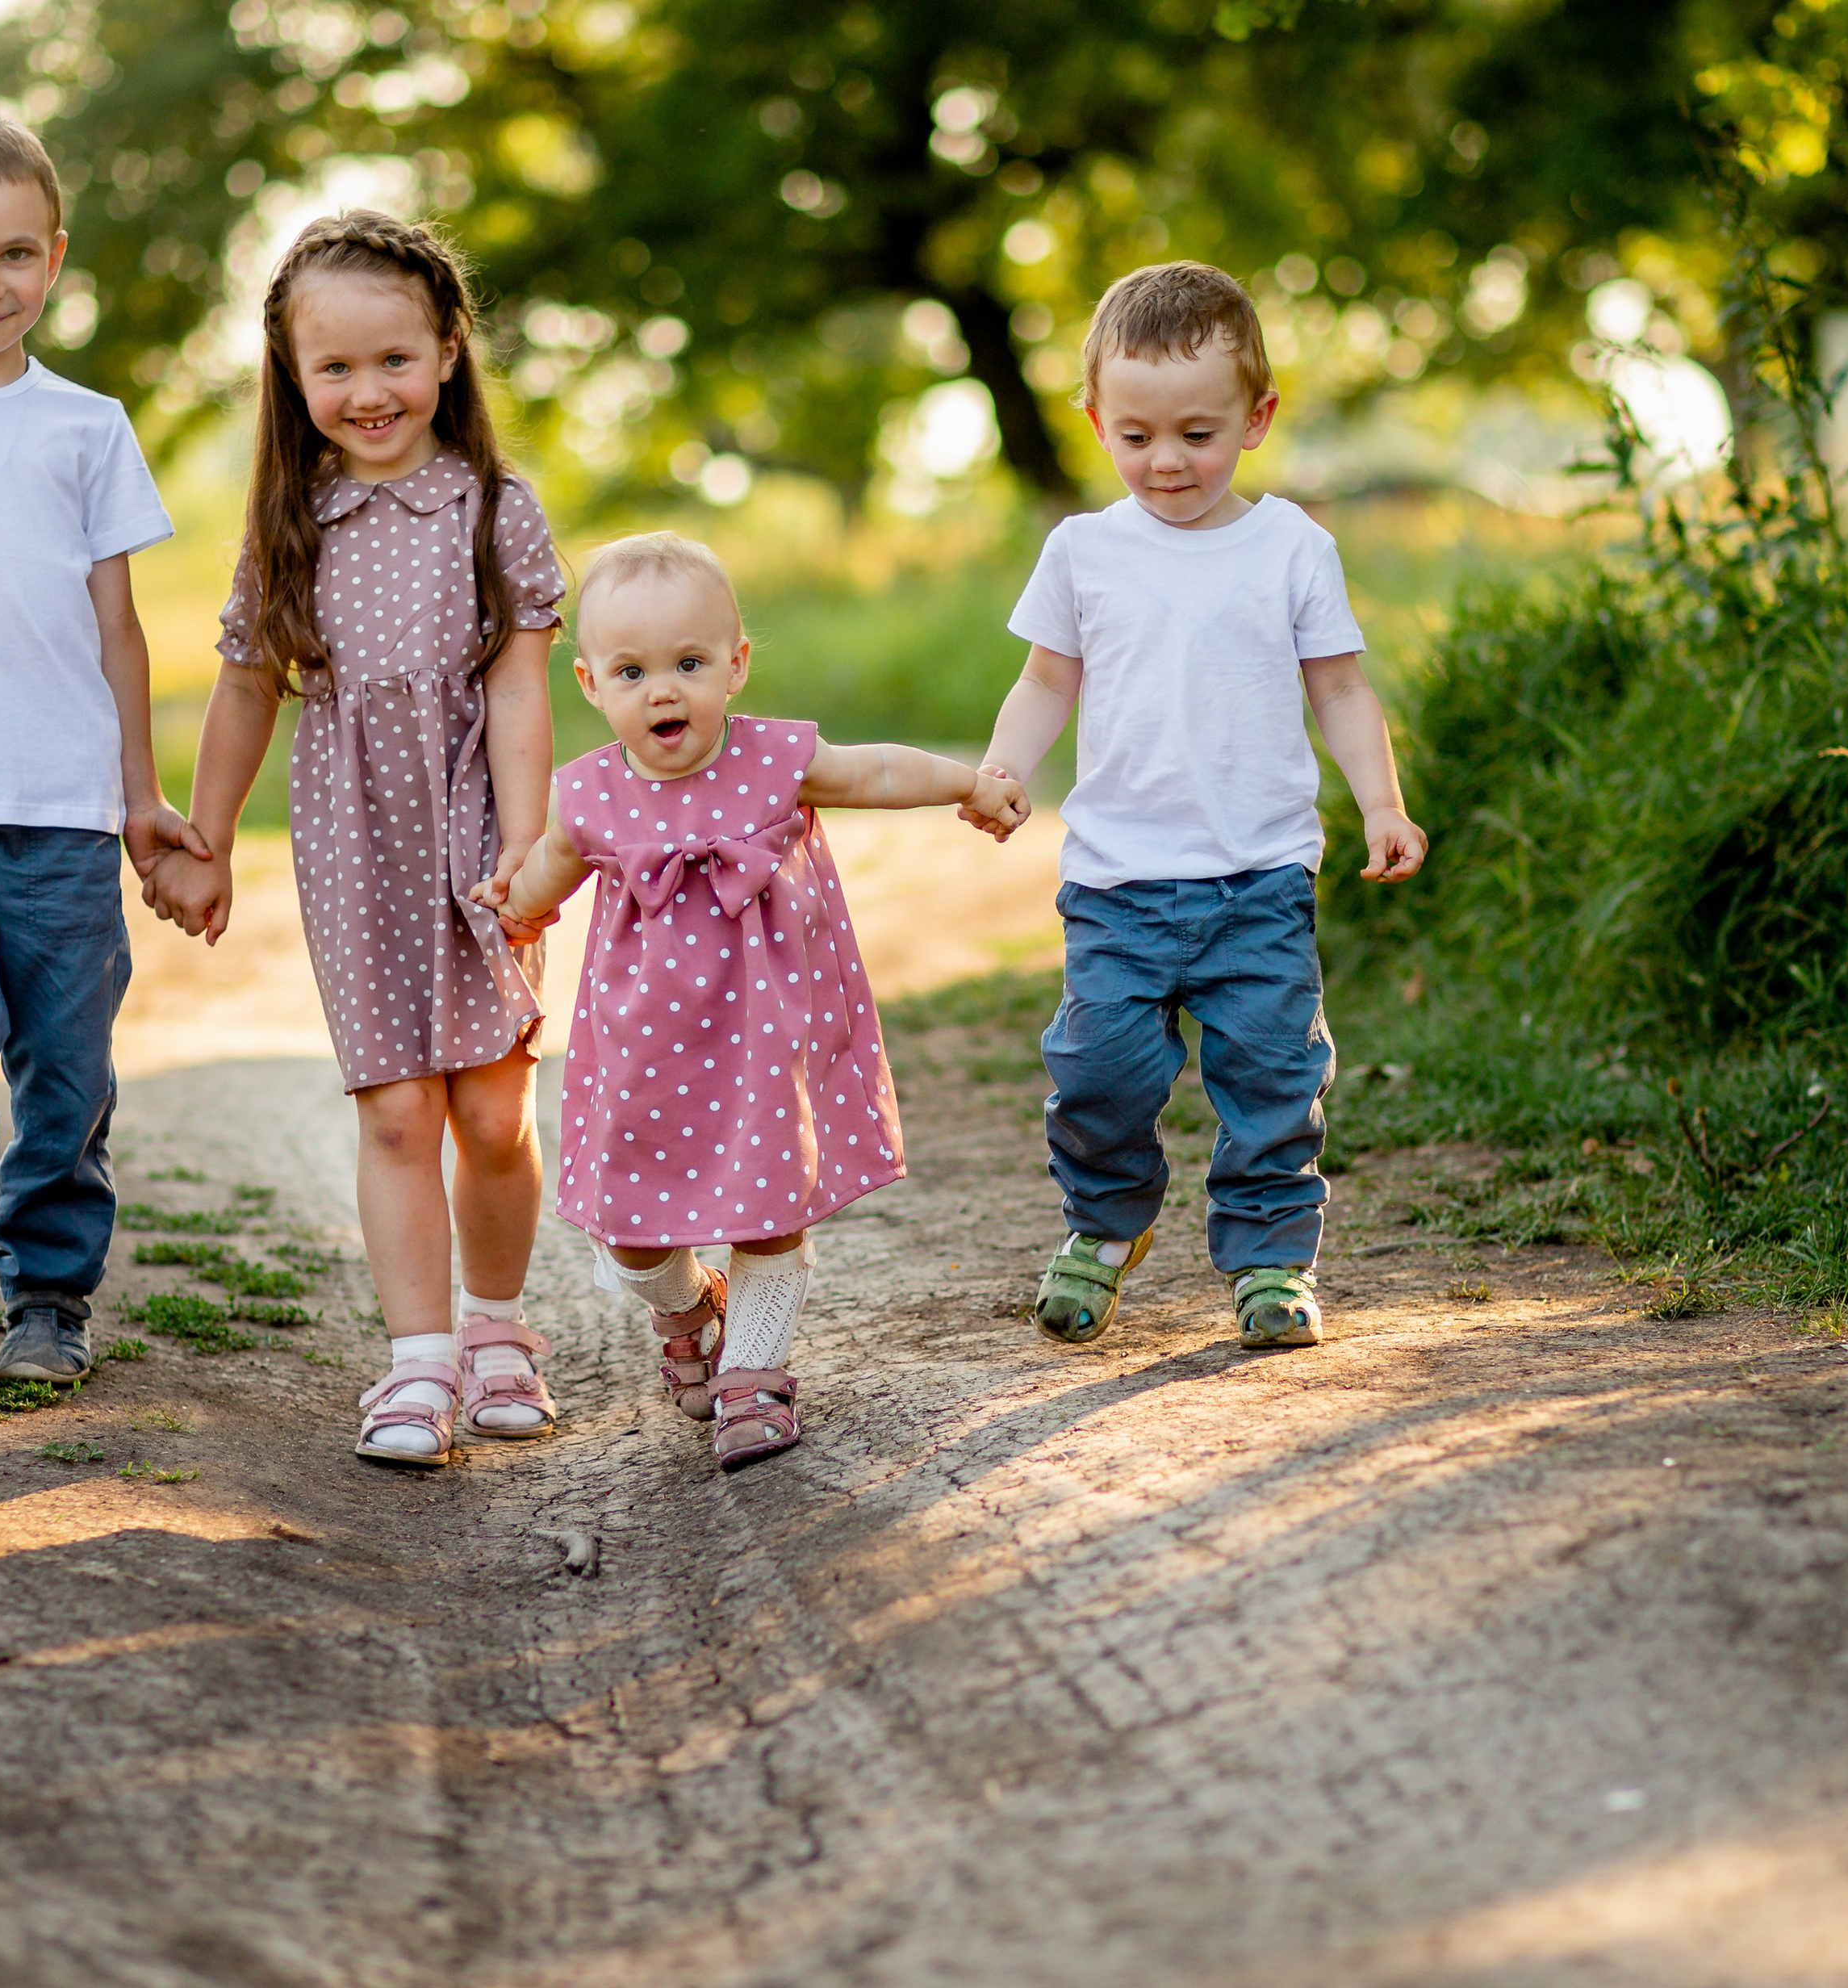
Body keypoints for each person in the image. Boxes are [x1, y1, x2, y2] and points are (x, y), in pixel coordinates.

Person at [144, 211, 563, 1467]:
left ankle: (498, 1333)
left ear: (446, 350)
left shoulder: (495, 509)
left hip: (479, 830)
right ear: (294, 378)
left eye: (394, 359)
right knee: (395, 1115)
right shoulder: (292, 526)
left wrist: (533, 852)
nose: (368, 391)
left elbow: (523, 689)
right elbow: (243, 687)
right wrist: (204, 837)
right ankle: (419, 1364)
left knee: (492, 1111)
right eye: (335, 369)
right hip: (350, 845)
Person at [475, 532, 1027, 1469]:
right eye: (633, 670)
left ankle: (752, 1376)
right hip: (643, 1050)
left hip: (765, 1036)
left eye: (689, 663)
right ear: (589, 684)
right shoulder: (591, 794)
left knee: (768, 1210)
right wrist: (516, 908)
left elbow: (875, 771)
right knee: (631, 1232)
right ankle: (689, 1306)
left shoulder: (773, 758)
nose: (663, 691)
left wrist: (969, 783)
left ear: (734, 666)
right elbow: (545, 877)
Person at [971, 261, 1428, 1353]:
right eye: (1136, 437)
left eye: (1196, 433)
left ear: (1257, 418)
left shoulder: (1291, 549)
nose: (1166, 462)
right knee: (1100, 1071)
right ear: (1095, 420)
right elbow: (1046, 683)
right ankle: (1104, 1224)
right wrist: (1003, 768)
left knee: (1273, 1077)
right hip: (1119, 882)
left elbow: (1341, 688)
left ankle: (1271, 1259)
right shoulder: (1084, 551)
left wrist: (1382, 804)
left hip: (1259, 879)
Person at [0, 111, 200, 1390]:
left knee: (65, 1054)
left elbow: (120, 631)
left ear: (54, 258)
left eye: (14, 254)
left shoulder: (86, 426)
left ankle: (49, 1291)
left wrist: (139, 798)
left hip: (61, 802)